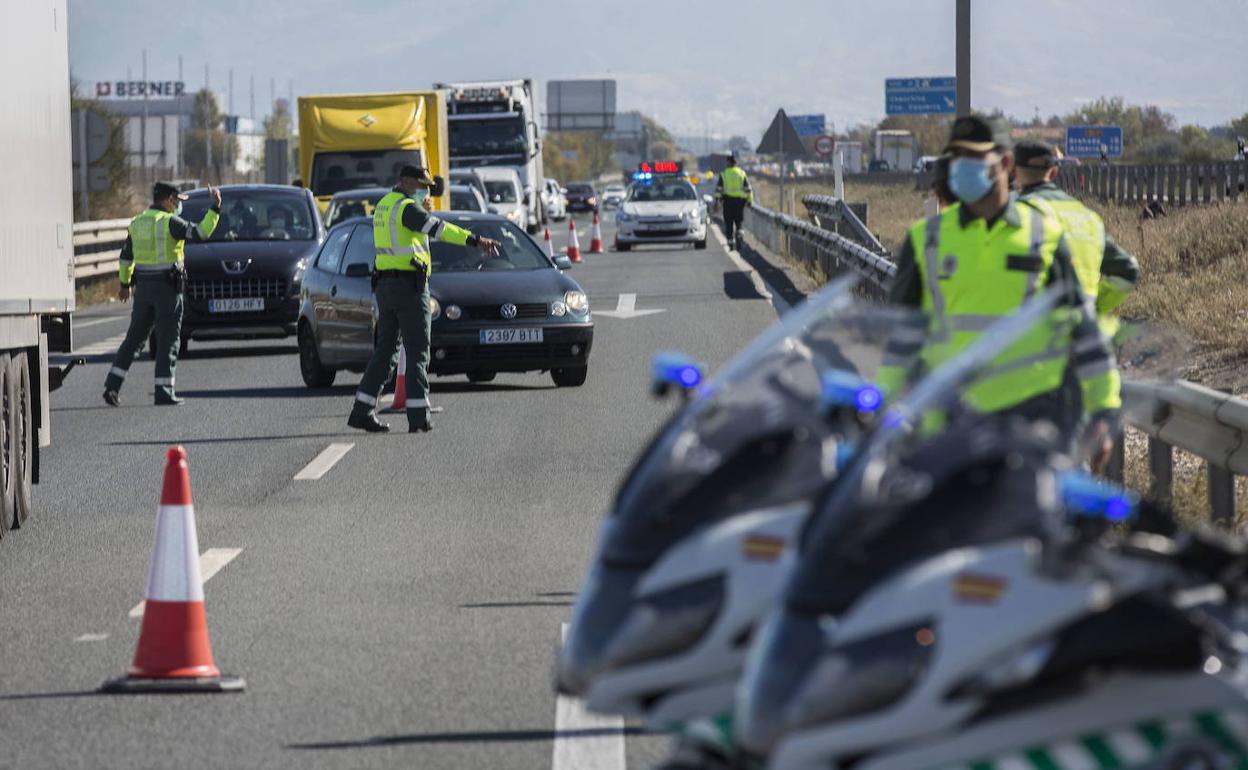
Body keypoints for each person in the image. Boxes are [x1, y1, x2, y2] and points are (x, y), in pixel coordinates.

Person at [876, 115, 1121, 470]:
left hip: (1029, 427)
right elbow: (901, 338)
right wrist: (882, 407)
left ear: (1005, 163)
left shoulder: (1044, 236)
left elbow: (1082, 330)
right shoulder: (925, 239)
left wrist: (1103, 412)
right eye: (957, 158)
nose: (963, 169)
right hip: (944, 428)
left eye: (975, 159)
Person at [347, 165, 501, 434]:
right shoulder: (407, 208)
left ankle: (362, 410)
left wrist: (421, 209)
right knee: (418, 350)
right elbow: (438, 229)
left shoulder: (386, 204)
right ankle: (418, 417)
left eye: (428, 186)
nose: (426, 191)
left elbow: (406, 230)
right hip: (409, 287)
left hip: (385, 284)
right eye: (421, 186)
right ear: (406, 181)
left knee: (386, 351)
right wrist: (475, 240)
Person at [103, 182, 221, 407]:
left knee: (134, 339)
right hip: (167, 289)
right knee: (168, 340)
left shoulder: (137, 223)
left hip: (143, 290)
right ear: (168, 199)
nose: (178, 205)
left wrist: (124, 284)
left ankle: (112, 385)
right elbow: (201, 232)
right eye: (177, 201)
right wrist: (215, 208)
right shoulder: (170, 222)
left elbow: (126, 258)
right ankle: (164, 391)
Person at [1015, 139, 1139, 338]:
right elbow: (1128, 270)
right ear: (1054, 172)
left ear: (1013, 173)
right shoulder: (1088, 216)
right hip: (1082, 335)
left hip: (1032, 336)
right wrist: (1093, 307)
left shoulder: (1017, 213)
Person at [715, 154, 753, 249]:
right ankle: (740, 233)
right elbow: (748, 189)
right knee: (739, 221)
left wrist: (717, 200)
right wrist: (749, 200)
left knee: (729, 223)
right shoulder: (741, 173)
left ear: (728, 162)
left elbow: (719, 189)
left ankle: (730, 242)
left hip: (728, 202)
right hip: (740, 202)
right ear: (736, 163)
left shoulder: (724, 174)